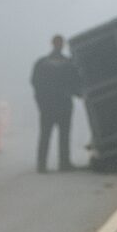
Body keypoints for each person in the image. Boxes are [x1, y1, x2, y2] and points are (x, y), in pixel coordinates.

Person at [31, 33, 81, 172]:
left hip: (48, 105)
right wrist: (79, 94)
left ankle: (42, 164)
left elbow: (35, 83)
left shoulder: (42, 63)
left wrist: (40, 102)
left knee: (46, 134)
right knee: (62, 135)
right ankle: (63, 163)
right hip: (63, 104)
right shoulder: (69, 63)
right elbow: (76, 83)